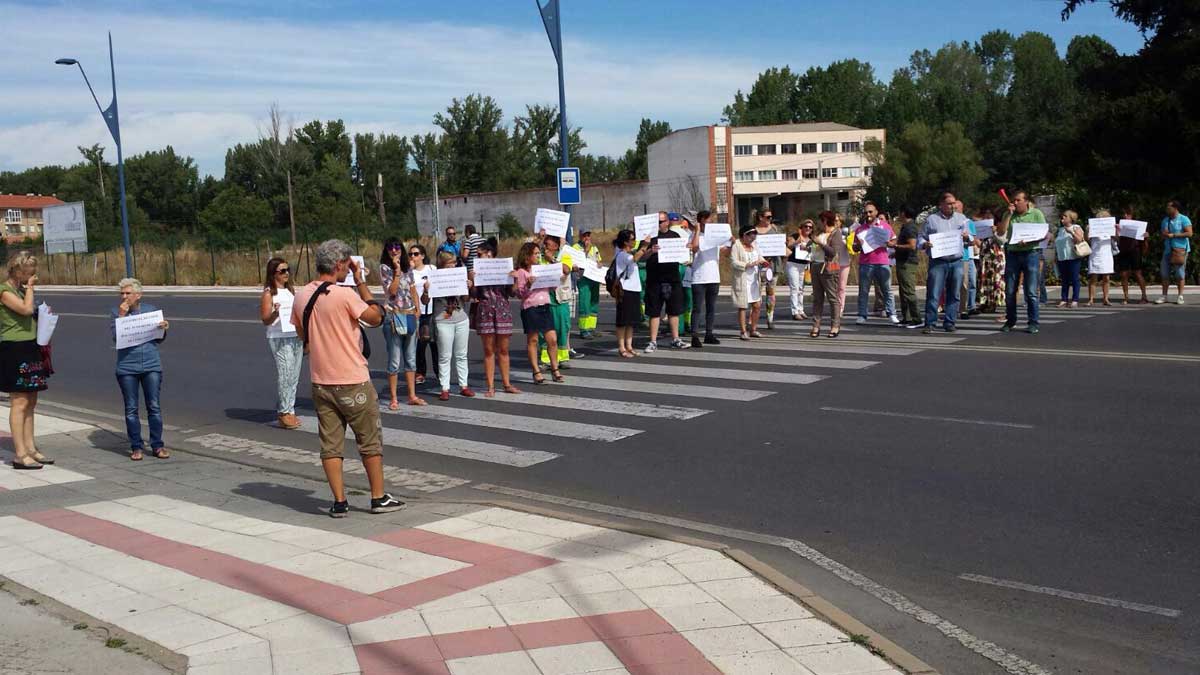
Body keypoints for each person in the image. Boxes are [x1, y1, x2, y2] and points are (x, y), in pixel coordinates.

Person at [292, 239, 403, 517]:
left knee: (331, 444)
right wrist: (360, 280)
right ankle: (378, 497)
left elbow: (302, 335)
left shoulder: (302, 295)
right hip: (352, 378)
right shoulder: (344, 294)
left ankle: (339, 501)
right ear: (340, 264)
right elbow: (375, 317)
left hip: (321, 380)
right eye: (346, 264)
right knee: (369, 440)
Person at [1, 252, 52, 469]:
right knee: (19, 401)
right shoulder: (4, 290)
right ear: (16, 270)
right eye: (27, 274)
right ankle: (20, 454)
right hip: (13, 348)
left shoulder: (22, 289)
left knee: (31, 400)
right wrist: (30, 289)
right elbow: (24, 309)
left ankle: (31, 448)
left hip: (30, 345)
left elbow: (32, 312)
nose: (30, 277)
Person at [110, 277, 170, 461]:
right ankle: (136, 446)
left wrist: (164, 328)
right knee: (131, 408)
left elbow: (158, 339)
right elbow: (116, 339)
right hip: (127, 368)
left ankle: (157, 445)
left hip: (151, 365)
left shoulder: (150, 311)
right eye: (122, 293)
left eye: (128, 293)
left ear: (138, 295)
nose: (124, 296)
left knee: (154, 406)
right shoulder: (116, 312)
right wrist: (121, 316)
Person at [919, 191, 974, 333]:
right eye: (949, 203)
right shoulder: (931, 219)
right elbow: (921, 238)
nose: (953, 206)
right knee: (934, 293)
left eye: (954, 203)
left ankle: (950, 322)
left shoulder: (962, 219)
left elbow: (972, 240)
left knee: (954, 293)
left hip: (956, 261)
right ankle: (930, 323)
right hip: (938, 261)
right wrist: (925, 244)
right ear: (941, 205)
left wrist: (967, 237)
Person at [379, 237, 424, 408]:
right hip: (393, 315)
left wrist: (418, 309)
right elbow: (391, 291)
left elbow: (412, 289)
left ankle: (412, 395)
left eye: (397, 247)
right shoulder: (385, 268)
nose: (394, 250)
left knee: (411, 358)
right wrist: (396, 270)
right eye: (390, 247)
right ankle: (394, 398)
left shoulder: (408, 268)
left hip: (409, 313)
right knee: (394, 360)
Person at [996, 190, 1047, 334]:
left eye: (1018, 200)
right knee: (1010, 290)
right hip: (1013, 253)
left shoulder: (1036, 214)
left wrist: (1030, 239)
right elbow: (1000, 232)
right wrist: (1009, 215)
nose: (1015, 203)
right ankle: (1010, 320)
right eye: (1014, 200)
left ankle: (1033, 322)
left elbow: (1044, 233)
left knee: (1030, 291)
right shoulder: (1009, 214)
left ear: (1026, 201)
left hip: (1031, 253)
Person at [472, 239, 519, 396]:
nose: (477, 257)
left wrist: (514, 279)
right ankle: (490, 386)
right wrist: (471, 281)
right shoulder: (475, 271)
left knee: (504, 349)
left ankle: (507, 384)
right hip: (485, 311)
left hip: (502, 310)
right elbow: (473, 295)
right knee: (488, 350)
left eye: (479, 254)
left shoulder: (502, 267)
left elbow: (512, 292)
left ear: (489, 253)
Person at [512, 241, 563, 383]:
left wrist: (553, 279)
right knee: (533, 340)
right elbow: (520, 295)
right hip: (530, 308)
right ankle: (536, 371)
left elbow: (552, 287)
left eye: (538, 253)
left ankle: (555, 368)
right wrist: (529, 285)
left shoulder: (542, 268)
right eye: (535, 254)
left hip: (545, 305)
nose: (538, 256)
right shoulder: (522, 272)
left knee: (552, 339)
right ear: (527, 256)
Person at [260, 257, 302, 429]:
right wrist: (275, 314)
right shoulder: (269, 293)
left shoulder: (291, 291)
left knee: (294, 375)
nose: (286, 274)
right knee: (285, 373)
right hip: (279, 337)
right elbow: (265, 319)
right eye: (282, 271)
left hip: (295, 335)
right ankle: (284, 412)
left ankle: (290, 409)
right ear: (273, 274)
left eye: (287, 270)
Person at [426, 252, 473, 401]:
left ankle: (463, 385)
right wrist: (427, 289)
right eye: (449, 263)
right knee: (445, 356)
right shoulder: (435, 278)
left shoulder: (459, 276)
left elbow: (465, 298)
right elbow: (425, 300)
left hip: (460, 318)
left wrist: (468, 287)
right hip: (443, 319)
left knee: (461, 354)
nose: (453, 265)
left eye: (454, 262)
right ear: (442, 265)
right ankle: (444, 387)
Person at [643, 211, 689, 351]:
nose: (659, 224)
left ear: (667, 222)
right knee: (654, 311)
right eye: (657, 222)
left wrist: (686, 251)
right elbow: (641, 256)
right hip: (655, 279)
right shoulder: (649, 238)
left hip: (672, 277)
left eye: (661, 221)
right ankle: (653, 341)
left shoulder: (675, 236)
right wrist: (651, 250)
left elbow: (682, 253)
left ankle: (675, 339)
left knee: (674, 310)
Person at [852, 202, 899, 325]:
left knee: (887, 289)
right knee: (864, 290)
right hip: (866, 262)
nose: (868, 214)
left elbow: (894, 240)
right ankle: (862, 315)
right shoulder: (860, 229)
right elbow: (854, 247)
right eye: (866, 212)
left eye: (870, 212)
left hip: (882, 261)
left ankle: (892, 313)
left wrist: (890, 243)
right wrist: (858, 245)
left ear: (876, 212)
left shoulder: (885, 226)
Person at [536, 233, 577, 366]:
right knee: (544, 330)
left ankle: (562, 357)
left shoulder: (564, 255)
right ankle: (546, 359)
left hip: (560, 299)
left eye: (548, 244)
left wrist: (552, 260)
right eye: (545, 244)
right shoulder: (539, 257)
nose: (545, 246)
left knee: (562, 328)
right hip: (544, 299)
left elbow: (566, 270)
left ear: (555, 245)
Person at [612, 229, 647, 358]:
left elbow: (638, 257)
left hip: (634, 289)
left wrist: (647, 249)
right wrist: (644, 246)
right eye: (632, 239)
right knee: (622, 320)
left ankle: (629, 345)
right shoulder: (621, 254)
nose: (634, 241)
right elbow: (635, 258)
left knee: (631, 321)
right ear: (626, 242)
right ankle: (621, 347)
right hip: (624, 290)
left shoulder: (629, 253)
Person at [731, 225, 770, 340]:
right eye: (751, 237)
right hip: (742, 279)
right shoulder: (736, 246)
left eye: (754, 237)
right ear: (744, 235)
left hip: (754, 280)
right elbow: (734, 262)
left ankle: (753, 329)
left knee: (757, 305)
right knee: (742, 306)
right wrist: (747, 265)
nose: (752, 239)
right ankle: (743, 331)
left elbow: (760, 257)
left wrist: (764, 262)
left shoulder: (755, 245)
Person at [809, 211, 843, 338]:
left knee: (832, 298)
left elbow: (833, 252)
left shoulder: (836, 233)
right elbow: (812, 247)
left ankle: (835, 326)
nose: (818, 223)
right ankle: (816, 326)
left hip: (828, 268)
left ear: (825, 220)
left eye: (820, 220)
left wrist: (820, 243)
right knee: (817, 298)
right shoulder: (820, 233)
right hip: (815, 266)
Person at [409, 244, 438, 386]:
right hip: (417, 312)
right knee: (420, 344)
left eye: (415, 254)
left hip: (433, 310)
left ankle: (439, 372)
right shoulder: (410, 273)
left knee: (435, 343)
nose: (412, 257)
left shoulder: (431, 269)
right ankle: (420, 372)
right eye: (411, 254)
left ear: (422, 255)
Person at [1157, 199, 1192, 305]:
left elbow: (1189, 233)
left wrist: (1174, 235)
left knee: (1180, 274)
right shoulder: (1165, 220)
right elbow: (1162, 235)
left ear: (1175, 208)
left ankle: (1180, 296)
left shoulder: (1183, 219)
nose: (1167, 209)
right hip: (1168, 249)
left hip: (1180, 249)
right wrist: (1164, 235)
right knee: (1164, 273)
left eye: (1169, 207)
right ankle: (1164, 295)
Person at [752, 208, 783, 329]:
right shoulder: (754, 231)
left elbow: (780, 244)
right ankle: (753, 318)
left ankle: (770, 318)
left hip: (773, 265)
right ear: (761, 217)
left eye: (771, 217)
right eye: (768, 217)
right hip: (758, 266)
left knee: (771, 292)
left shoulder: (775, 229)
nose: (770, 219)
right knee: (756, 293)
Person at [892, 207, 922, 328]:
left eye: (899, 212)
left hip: (907, 263)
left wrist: (896, 246)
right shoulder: (905, 226)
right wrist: (896, 252)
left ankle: (917, 318)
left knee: (909, 291)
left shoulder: (910, 227)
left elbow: (912, 245)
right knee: (903, 291)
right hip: (902, 261)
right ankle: (907, 317)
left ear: (903, 213)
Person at [1115, 206, 1150, 304]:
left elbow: (1144, 241)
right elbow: (1117, 240)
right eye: (1124, 214)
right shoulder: (1120, 225)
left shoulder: (1138, 225)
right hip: (1123, 251)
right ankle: (1126, 297)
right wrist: (1117, 232)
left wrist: (1146, 236)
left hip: (1135, 251)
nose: (1126, 216)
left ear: (1131, 215)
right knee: (1123, 274)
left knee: (1137, 273)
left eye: (1128, 214)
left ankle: (1144, 296)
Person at [571, 230, 602, 339]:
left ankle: (591, 328)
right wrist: (586, 249)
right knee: (585, 304)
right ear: (580, 236)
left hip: (594, 278)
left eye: (588, 235)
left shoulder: (594, 247)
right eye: (584, 235)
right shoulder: (575, 247)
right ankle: (584, 330)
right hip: (583, 279)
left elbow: (598, 260)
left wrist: (599, 264)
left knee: (594, 303)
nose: (587, 237)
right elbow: (577, 262)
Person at [1054, 211, 1086, 308]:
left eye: (1065, 216)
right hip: (1062, 257)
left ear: (1071, 218)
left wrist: (1071, 232)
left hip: (1073, 257)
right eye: (1062, 216)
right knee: (1064, 280)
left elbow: (1080, 240)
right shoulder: (1060, 230)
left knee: (1074, 278)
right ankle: (1064, 299)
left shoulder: (1076, 227)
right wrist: (1055, 256)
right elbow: (1057, 244)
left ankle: (1075, 299)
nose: (1062, 217)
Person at [978, 207, 1006, 314]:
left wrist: (994, 232)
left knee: (995, 280)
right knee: (984, 280)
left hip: (996, 257)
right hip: (985, 256)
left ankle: (993, 303)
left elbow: (1002, 241)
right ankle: (984, 302)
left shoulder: (1000, 227)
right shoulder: (982, 227)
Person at [1084, 209, 1115, 307]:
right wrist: (1087, 230)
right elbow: (1087, 240)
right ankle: (1091, 299)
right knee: (1093, 277)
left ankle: (1106, 298)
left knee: (1106, 277)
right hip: (1095, 253)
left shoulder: (1110, 227)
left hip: (1106, 253)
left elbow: (1116, 239)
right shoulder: (1093, 227)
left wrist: (1116, 230)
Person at [786, 219, 813, 321]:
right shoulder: (795, 236)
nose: (807, 228)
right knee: (794, 288)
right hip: (793, 264)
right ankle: (795, 311)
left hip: (803, 265)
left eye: (810, 227)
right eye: (806, 226)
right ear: (801, 227)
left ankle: (801, 310)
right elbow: (788, 246)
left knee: (801, 289)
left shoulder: (810, 239)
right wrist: (796, 243)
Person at [833, 212, 853, 315]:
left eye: (837, 220)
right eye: (833, 220)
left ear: (841, 222)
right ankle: (834, 307)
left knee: (841, 287)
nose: (835, 222)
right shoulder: (830, 233)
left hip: (844, 262)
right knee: (833, 287)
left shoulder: (845, 232)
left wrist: (847, 241)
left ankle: (840, 308)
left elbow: (851, 247)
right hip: (833, 263)